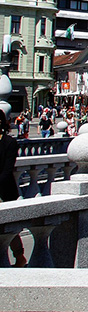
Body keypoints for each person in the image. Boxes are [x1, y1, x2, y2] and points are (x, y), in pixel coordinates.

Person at [0, 110, 27, 266]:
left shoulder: (10, 143)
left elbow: (7, 170)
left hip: (5, 190)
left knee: (9, 227)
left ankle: (19, 256)